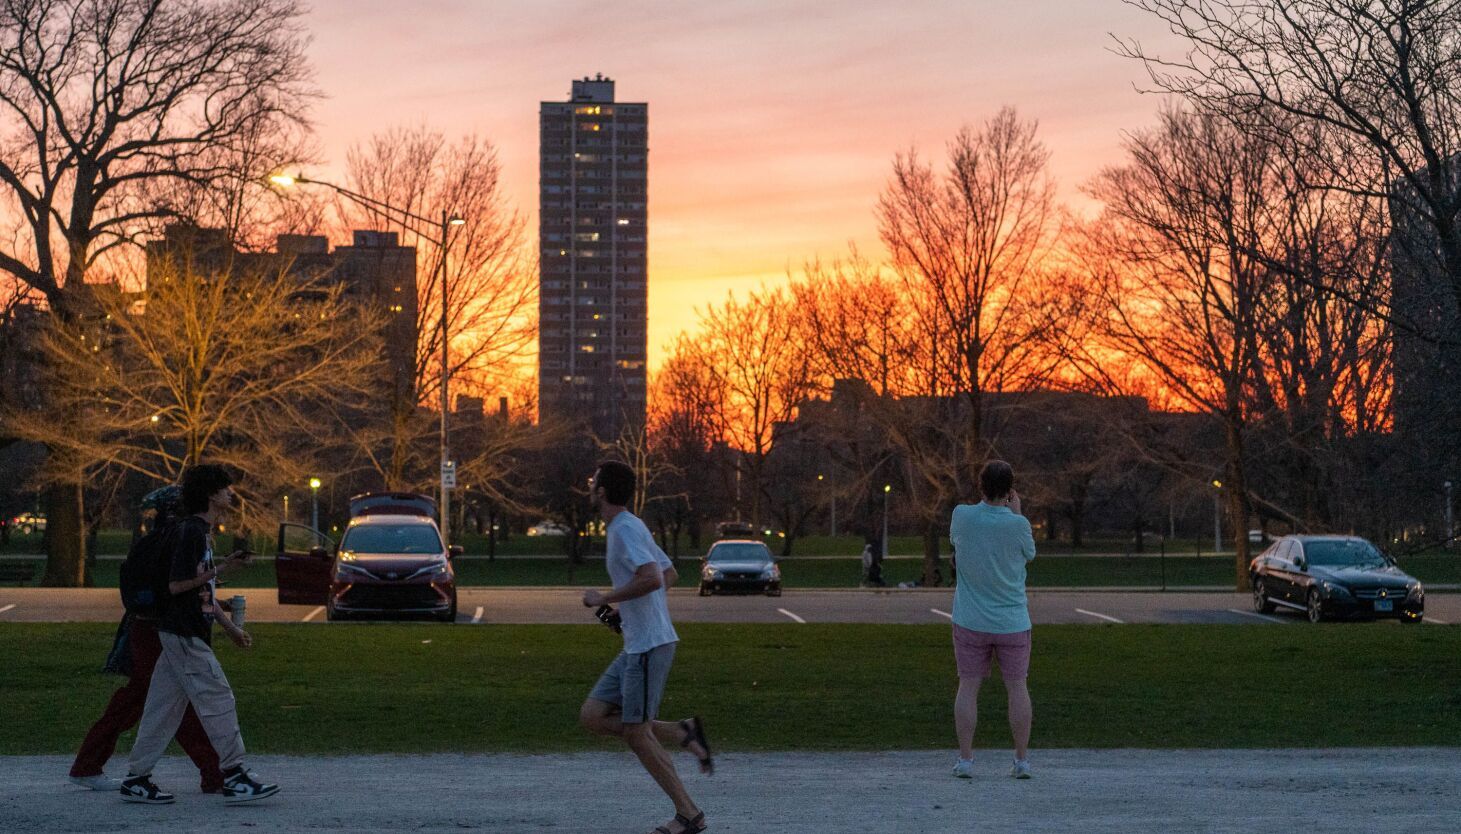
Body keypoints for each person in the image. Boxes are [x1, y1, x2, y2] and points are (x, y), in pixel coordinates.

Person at [120, 465, 278, 804]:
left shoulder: (199, 531)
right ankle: (235, 775)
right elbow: (177, 586)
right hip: (184, 632)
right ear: (210, 494)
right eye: (225, 488)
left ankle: (136, 778)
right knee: (219, 698)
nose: (231, 493)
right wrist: (222, 569)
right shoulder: (191, 532)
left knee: (162, 709)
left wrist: (231, 627)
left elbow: (201, 587)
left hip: (181, 632)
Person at [579, 460, 713, 834]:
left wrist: (605, 597)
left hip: (650, 645)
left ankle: (689, 814)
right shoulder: (629, 526)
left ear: (602, 492)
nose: (590, 486)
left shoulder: (625, 530)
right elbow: (668, 573)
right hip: (637, 642)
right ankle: (683, 732)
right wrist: (626, 609)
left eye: (593, 481)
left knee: (637, 733)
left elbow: (653, 577)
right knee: (592, 715)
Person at [68, 487, 225, 794]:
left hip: (148, 629)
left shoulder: (154, 542)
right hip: (160, 631)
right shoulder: (175, 541)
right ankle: (215, 772)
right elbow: (176, 589)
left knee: (140, 699)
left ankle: (87, 765)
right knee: (176, 698)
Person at [948, 459, 1036, 780]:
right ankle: (1022, 760)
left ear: (981, 486)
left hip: (970, 619)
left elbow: (957, 544)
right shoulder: (1019, 525)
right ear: (1010, 489)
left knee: (968, 687)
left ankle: (966, 760)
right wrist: (1018, 514)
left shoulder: (961, 516)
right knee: (1017, 688)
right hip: (1012, 621)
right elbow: (1030, 554)